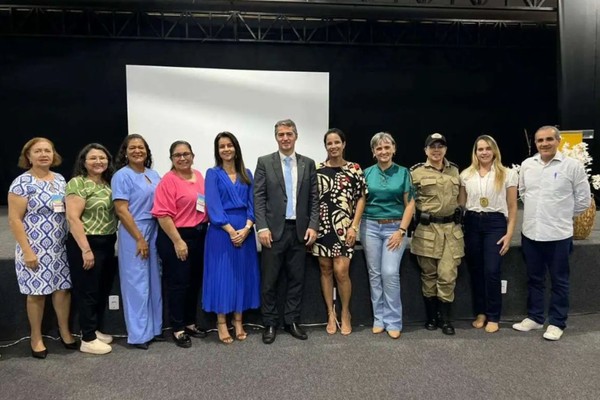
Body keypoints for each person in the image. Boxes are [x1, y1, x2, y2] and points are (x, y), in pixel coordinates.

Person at [512, 126, 591, 341]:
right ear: (535, 143)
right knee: (534, 279)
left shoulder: (572, 166)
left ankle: (557, 322)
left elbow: (584, 200)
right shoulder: (528, 165)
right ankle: (536, 318)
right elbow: (523, 193)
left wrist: (561, 215)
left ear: (558, 141)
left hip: (558, 235)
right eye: (540, 140)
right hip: (531, 234)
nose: (544, 143)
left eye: (549, 139)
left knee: (559, 281)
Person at [8, 137, 77, 359]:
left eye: (48, 150)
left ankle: (65, 332)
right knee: (36, 294)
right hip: (34, 248)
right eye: (38, 151)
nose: (43, 154)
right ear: (28, 156)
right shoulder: (21, 183)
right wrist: (27, 251)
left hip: (59, 246)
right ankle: (36, 337)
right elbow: (14, 220)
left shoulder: (59, 180)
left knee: (62, 290)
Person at [254, 118, 319, 344]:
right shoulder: (264, 162)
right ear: (276, 137)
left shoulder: (308, 163)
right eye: (281, 134)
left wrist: (313, 225)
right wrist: (261, 226)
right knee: (269, 281)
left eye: (289, 134)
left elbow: (314, 198)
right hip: (272, 232)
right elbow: (258, 197)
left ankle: (291, 321)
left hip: (300, 232)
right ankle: (270, 323)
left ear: (296, 136)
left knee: (296, 280)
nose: (285, 138)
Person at [203, 132, 260, 344]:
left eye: (229, 145)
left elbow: (253, 204)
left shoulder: (247, 173)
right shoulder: (212, 173)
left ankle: (238, 321)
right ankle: (220, 323)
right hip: (221, 233)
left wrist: (246, 228)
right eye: (221, 146)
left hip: (245, 231)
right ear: (217, 151)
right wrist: (230, 230)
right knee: (222, 276)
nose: (226, 149)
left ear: (236, 148)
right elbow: (213, 206)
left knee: (241, 276)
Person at [458, 135, 518, 333]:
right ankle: (481, 312)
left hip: (495, 223)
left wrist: (509, 234)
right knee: (476, 271)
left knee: (492, 271)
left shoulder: (507, 174)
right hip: (473, 222)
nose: (484, 152)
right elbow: (462, 204)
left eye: (487, 149)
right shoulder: (465, 175)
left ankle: (493, 315)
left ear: (494, 151)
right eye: (480, 149)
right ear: (475, 152)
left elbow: (512, 206)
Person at [152, 140, 208, 348]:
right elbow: (163, 215)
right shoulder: (168, 181)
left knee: (193, 282)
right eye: (177, 155)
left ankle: (190, 322)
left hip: (199, 235)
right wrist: (178, 241)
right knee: (178, 284)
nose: (182, 158)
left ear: (193, 155)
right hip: (175, 237)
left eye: (186, 154)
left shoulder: (200, 177)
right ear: (172, 159)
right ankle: (177, 328)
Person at [359, 132, 414, 340]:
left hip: (394, 228)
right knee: (374, 274)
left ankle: (393, 320)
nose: (383, 151)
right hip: (370, 226)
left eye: (387, 147)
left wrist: (401, 230)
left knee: (389, 272)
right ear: (373, 152)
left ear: (394, 148)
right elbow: (361, 202)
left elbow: (410, 204)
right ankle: (379, 319)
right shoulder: (366, 173)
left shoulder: (403, 173)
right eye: (378, 148)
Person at [312, 128, 366, 336]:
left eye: (337, 142)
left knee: (341, 272)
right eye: (329, 143)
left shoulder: (354, 168)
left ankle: (345, 313)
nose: (333, 146)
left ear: (344, 144)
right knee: (325, 270)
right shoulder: (316, 169)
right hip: (322, 228)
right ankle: (330, 313)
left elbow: (361, 197)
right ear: (325, 146)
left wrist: (354, 226)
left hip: (345, 228)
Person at [65, 143, 118, 354]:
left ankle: (94, 330)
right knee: (87, 291)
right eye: (93, 158)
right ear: (84, 162)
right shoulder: (78, 183)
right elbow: (73, 218)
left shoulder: (108, 184)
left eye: (102, 158)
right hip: (85, 243)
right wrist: (86, 250)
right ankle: (87, 338)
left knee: (100, 289)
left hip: (106, 242)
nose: (98, 162)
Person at [112, 134, 163, 349]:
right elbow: (121, 211)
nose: (137, 151)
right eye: (132, 147)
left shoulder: (153, 174)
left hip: (154, 228)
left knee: (154, 281)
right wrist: (139, 238)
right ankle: (139, 334)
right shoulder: (122, 176)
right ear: (125, 151)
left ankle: (155, 329)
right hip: (134, 231)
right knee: (136, 284)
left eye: (141, 147)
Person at [410, 133, 464, 335]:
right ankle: (432, 316)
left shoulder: (455, 171)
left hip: (451, 231)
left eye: (440, 146)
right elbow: (409, 202)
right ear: (425, 150)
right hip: (427, 231)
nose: (436, 150)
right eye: (432, 146)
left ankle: (445, 318)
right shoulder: (416, 173)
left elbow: (461, 199)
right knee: (429, 276)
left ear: (445, 149)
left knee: (447, 275)